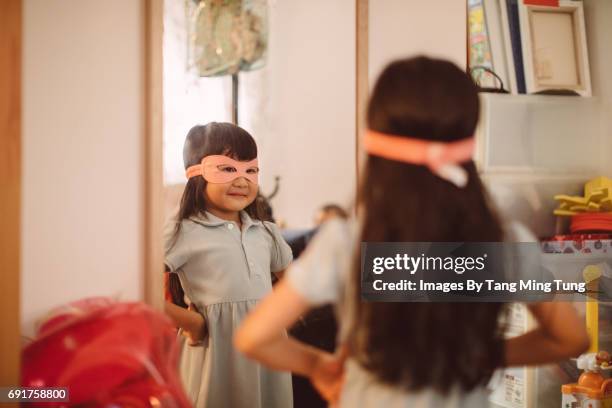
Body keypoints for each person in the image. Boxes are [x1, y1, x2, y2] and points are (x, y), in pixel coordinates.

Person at [234, 57, 590, 407]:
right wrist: (481, 355)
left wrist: (318, 366)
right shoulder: (505, 241)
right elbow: (569, 339)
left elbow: (254, 337)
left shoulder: (346, 243)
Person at [163, 122, 293, 408]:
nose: (242, 180)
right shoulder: (182, 231)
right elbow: (141, 287)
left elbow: (296, 286)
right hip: (215, 353)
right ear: (196, 174)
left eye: (251, 170)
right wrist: (192, 323)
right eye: (227, 168)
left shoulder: (267, 232)